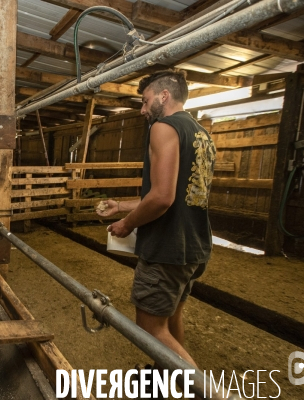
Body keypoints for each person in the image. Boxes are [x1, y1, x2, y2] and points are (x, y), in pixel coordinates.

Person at [97, 69, 216, 370]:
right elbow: (171, 194)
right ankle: (174, 381)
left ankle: (208, 392)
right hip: (193, 246)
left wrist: (127, 224)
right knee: (172, 316)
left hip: (166, 247)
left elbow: (162, 198)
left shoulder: (163, 127)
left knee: (150, 328)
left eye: (145, 100)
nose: (142, 109)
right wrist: (120, 205)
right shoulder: (202, 134)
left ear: (164, 96)